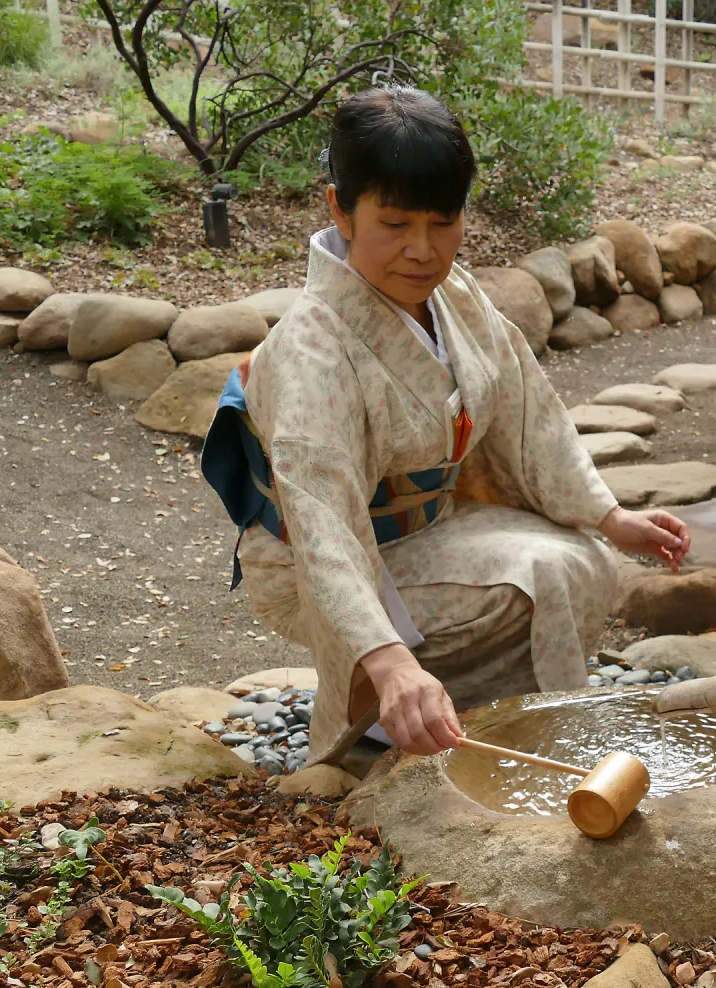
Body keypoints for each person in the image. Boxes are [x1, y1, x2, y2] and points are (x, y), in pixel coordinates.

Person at [201, 85, 690, 768]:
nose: (423, 251)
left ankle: (489, 715)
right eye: (395, 224)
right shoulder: (313, 345)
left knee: (584, 559)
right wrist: (388, 659)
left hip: (420, 530)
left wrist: (609, 517)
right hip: (313, 562)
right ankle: (390, 711)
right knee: (542, 573)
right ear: (340, 208)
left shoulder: (452, 294)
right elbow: (325, 526)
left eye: (443, 221)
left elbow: (528, 413)